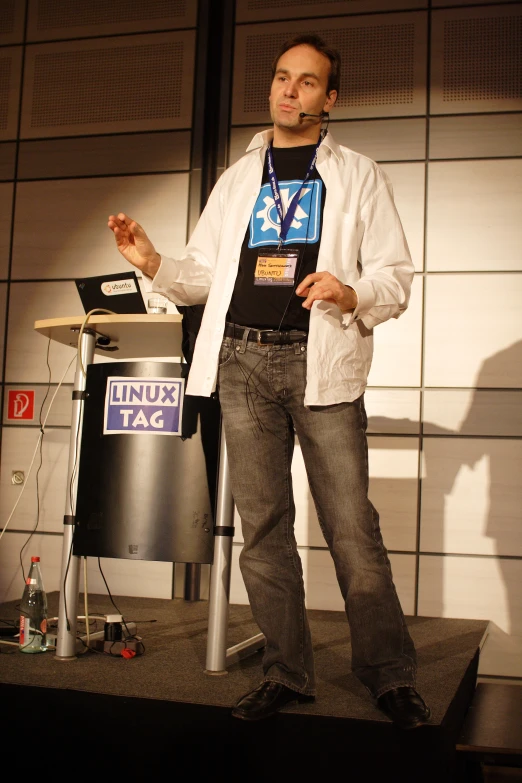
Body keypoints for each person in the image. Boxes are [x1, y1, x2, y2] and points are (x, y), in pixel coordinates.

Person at [108, 33, 430, 730]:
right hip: (241, 362)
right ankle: (288, 669)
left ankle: (390, 674)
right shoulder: (239, 177)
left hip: (318, 361)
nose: (290, 90)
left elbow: (395, 278)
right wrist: (152, 259)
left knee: (352, 529)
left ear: (330, 99)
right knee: (264, 531)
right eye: (282, 78)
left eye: (307, 82)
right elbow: (201, 275)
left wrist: (348, 291)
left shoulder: (358, 174)